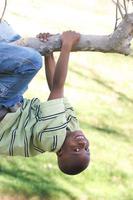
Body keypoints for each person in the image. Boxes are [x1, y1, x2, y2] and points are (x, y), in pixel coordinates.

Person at [0, 18, 90, 174]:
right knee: (18, 45)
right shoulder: (72, 126)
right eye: (87, 149)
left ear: (60, 153)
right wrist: (48, 51)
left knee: (31, 61)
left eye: (76, 149)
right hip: (11, 101)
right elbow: (55, 90)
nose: (82, 143)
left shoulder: (52, 139)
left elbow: (57, 87)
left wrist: (67, 45)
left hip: (4, 105)